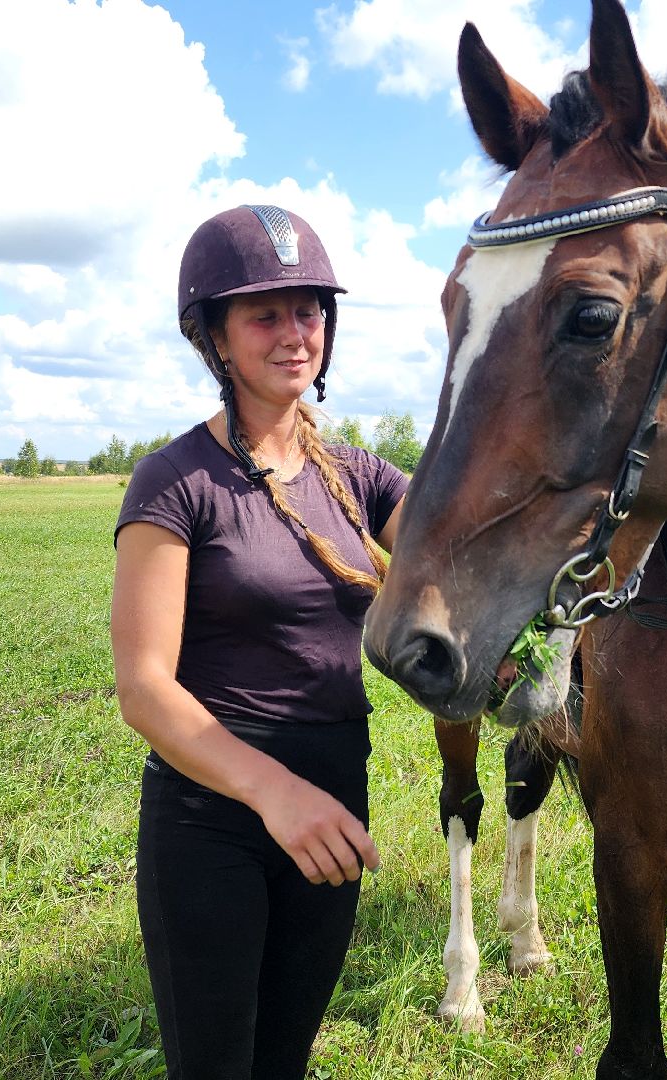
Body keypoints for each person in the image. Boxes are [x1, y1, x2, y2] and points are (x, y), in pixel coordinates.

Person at [109, 205, 408, 1080]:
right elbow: (144, 689)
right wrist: (277, 796)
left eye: (308, 310)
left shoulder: (356, 474)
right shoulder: (175, 483)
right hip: (213, 822)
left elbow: (462, 543)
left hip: (331, 811)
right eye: (265, 315)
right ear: (216, 337)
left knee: (284, 1059)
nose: (294, 335)